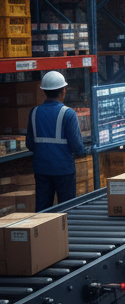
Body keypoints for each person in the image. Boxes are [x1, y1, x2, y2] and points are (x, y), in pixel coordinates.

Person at [26, 70, 86, 211]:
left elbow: (30, 144)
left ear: (44, 91)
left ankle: (42, 233)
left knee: (42, 211)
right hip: (63, 170)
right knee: (67, 210)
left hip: (41, 169)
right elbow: (76, 146)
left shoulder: (34, 112)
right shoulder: (68, 113)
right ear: (63, 91)